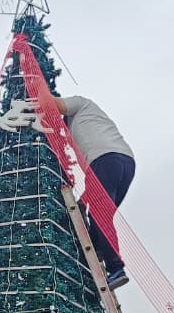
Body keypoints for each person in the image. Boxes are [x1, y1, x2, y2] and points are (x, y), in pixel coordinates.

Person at [52, 95, 135, 289]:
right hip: (125, 163)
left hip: (104, 159)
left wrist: (36, 87)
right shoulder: (77, 126)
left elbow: (54, 103)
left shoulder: (79, 104)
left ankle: (116, 268)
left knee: (99, 215)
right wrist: (83, 199)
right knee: (99, 213)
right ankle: (97, 251)